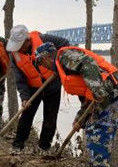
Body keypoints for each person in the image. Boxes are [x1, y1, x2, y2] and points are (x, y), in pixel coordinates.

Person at [34, 42, 118, 167]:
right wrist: (80, 118)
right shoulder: (64, 67)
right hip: (109, 92)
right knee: (93, 129)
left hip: (112, 91)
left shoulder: (64, 57)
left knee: (98, 131)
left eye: (41, 61)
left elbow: (88, 63)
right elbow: (87, 96)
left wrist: (98, 91)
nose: (43, 66)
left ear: (47, 57)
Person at [5, 25, 70, 154]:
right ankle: (18, 145)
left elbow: (66, 45)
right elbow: (20, 79)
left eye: (20, 45)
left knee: (50, 117)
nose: (18, 49)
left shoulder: (44, 39)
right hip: (33, 87)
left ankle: (44, 147)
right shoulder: (15, 55)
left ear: (27, 41)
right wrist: (24, 97)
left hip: (52, 85)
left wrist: (58, 66)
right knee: (26, 115)